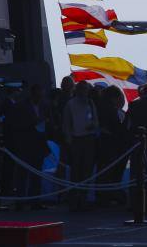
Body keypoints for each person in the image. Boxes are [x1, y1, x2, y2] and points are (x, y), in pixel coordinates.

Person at [6, 83, 50, 209]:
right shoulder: (20, 106)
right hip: (25, 144)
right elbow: (15, 125)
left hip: (39, 144)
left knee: (37, 174)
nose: (40, 96)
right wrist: (32, 123)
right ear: (33, 93)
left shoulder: (44, 106)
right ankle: (20, 202)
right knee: (22, 174)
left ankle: (35, 201)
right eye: (38, 94)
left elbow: (46, 124)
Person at [63, 80, 99, 211]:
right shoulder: (70, 104)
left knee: (87, 170)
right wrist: (69, 141)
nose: (85, 92)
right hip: (76, 140)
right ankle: (74, 199)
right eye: (83, 89)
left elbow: (96, 120)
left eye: (86, 90)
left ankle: (83, 198)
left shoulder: (90, 102)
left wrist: (93, 126)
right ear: (77, 90)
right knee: (75, 171)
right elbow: (66, 124)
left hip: (89, 139)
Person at [97, 85, 127, 206]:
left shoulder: (100, 108)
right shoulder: (112, 111)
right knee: (109, 172)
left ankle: (104, 196)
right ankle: (107, 196)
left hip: (105, 145)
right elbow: (117, 128)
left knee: (104, 172)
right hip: (112, 146)